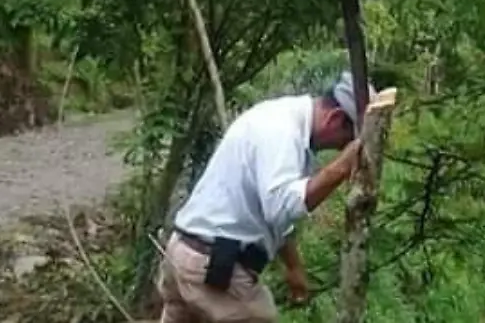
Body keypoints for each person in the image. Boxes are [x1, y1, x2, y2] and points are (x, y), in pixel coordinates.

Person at [158, 72, 372, 323]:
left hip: (185, 252)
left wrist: (293, 266)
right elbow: (280, 207)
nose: (339, 148)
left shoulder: (281, 121)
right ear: (335, 119)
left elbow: (272, 209)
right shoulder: (281, 133)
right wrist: (340, 168)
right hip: (211, 264)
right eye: (344, 141)